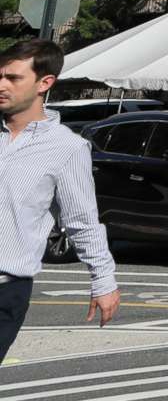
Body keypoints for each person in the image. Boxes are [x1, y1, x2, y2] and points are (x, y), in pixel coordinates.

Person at [0, 38, 117, 358]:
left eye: (12, 78)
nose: (1, 85)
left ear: (45, 83)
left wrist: (103, 281)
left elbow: (82, 221)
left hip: (5, 290)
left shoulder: (67, 149)